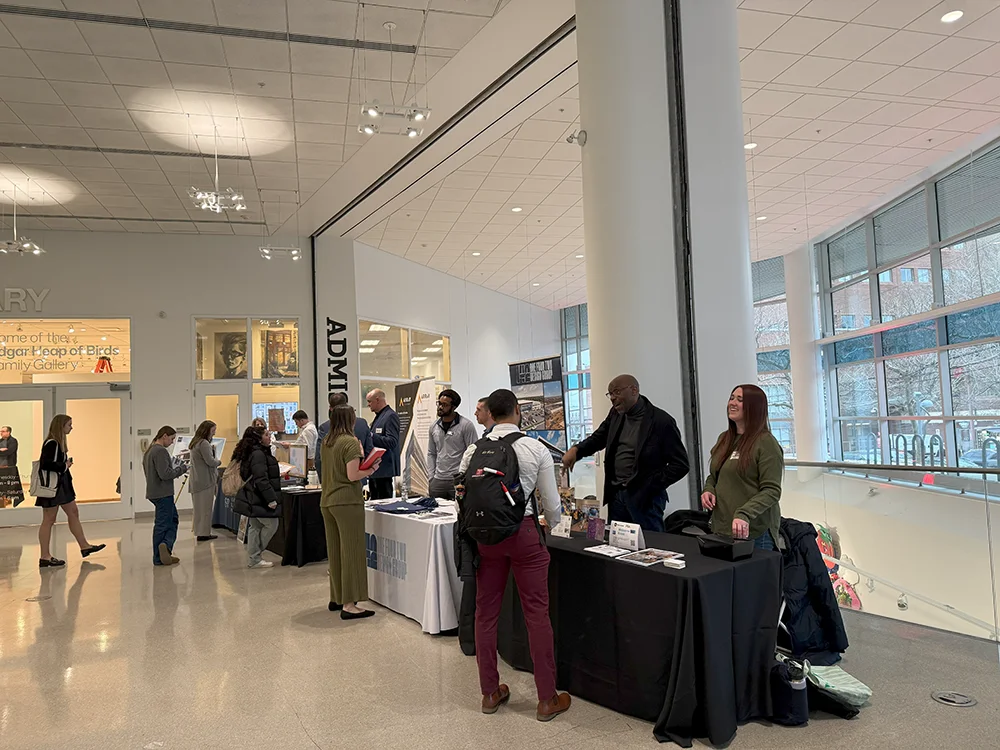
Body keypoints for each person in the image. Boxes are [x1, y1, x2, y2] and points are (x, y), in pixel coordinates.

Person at [458, 389, 570, 721]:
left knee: (485, 612)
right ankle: (547, 698)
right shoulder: (534, 448)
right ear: (518, 411)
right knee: (537, 613)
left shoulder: (473, 451)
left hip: (486, 539)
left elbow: (461, 496)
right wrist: (554, 525)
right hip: (523, 534)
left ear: (490, 413)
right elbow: (551, 505)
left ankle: (489, 692)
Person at [562, 374, 689, 533]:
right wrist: (577, 450)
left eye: (616, 392)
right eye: (610, 394)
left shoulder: (661, 421)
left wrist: (652, 484)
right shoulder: (615, 414)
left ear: (634, 390)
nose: (612, 398)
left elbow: (681, 465)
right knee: (618, 548)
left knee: (652, 548)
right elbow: (599, 437)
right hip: (616, 496)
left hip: (645, 500)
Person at [701, 384, 783, 550]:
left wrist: (745, 513)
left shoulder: (766, 443)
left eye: (740, 400)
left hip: (754, 532)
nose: (732, 403)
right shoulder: (724, 438)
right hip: (722, 529)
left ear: (754, 407)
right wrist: (708, 489)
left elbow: (772, 491)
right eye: (732, 398)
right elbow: (715, 475)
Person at [321, 405, 381, 620]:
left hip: (327, 500)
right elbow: (353, 474)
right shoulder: (350, 442)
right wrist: (372, 468)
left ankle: (337, 597)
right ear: (351, 420)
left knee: (336, 552)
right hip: (347, 501)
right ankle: (350, 604)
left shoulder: (327, 442)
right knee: (352, 552)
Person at [35, 415, 107, 568]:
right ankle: (45, 556)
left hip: (61, 485)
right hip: (54, 486)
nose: (71, 428)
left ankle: (84, 545)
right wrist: (65, 465)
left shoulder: (58, 443)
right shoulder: (52, 443)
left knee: (73, 512)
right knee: (49, 519)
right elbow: (45, 464)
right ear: (61, 426)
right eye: (69, 425)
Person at [232, 425, 282, 569]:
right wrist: (271, 499)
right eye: (266, 435)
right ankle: (256, 555)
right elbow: (261, 479)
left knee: (256, 526)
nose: (269, 437)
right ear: (259, 439)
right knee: (271, 524)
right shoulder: (258, 454)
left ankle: (254, 558)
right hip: (259, 497)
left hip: (254, 496)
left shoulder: (253, 452)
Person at [143, 426, 189, 566]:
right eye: (172, 438)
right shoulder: (160, 451)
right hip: (163, 493)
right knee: (163, 524)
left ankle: (164, 550)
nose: (172, 442)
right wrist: (182, 468)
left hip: (154, 492)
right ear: (164, 436)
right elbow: (165, 474)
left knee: (171, 519)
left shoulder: (150, 451)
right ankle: (162, 550)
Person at [428, 389, 478, 500]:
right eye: (439, 403)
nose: (440, 407)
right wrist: (431, 477)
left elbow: (473, 453)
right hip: (437, 480)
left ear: (454, 407)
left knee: (459, 512)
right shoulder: (434, 426)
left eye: (445, 405)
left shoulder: (466, 425)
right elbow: (431, 453)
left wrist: (465, 477)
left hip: (458, 480)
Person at [316, 393, 373, 478]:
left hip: (333, 480)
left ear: (331, 409)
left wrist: (323, 480)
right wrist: (368, 471)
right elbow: (369, 450)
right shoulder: (361, 424)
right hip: (358, 478)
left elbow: (319, 458)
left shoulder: (325, 429)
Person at [188, 420, 221, 542]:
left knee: (198, 510)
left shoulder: (194, 443)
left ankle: (199, 531)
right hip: (205, 481)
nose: (214, 433)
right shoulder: (204, 444)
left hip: (196, 481)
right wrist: (219, 461)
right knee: (206, 509)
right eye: (213, 431)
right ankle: (204, 533)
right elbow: (211, 462)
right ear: (207, 431)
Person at [366, 388, 400, 500]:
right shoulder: (379, 417)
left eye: (370, 401)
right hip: (375, 469)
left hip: (384, 469)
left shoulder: (390, 416)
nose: (368, 405)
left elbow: (392, 441)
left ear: (377, 400)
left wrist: (371, 436)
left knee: (384, 502)